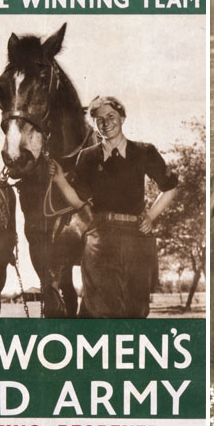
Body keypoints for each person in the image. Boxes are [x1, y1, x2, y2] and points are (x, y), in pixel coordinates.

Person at [64, 96, 178, 318]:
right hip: (100, 239)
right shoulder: (87, 157)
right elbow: (78, 200)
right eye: (99, 120)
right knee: (100, 310)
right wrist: (58, 178)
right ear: (95, 125)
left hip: (136, 238)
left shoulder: (145, 152)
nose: (106, 123)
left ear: (122, 117)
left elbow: (170, 187)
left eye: (111, 116)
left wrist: (151, 216)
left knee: (136, 310)